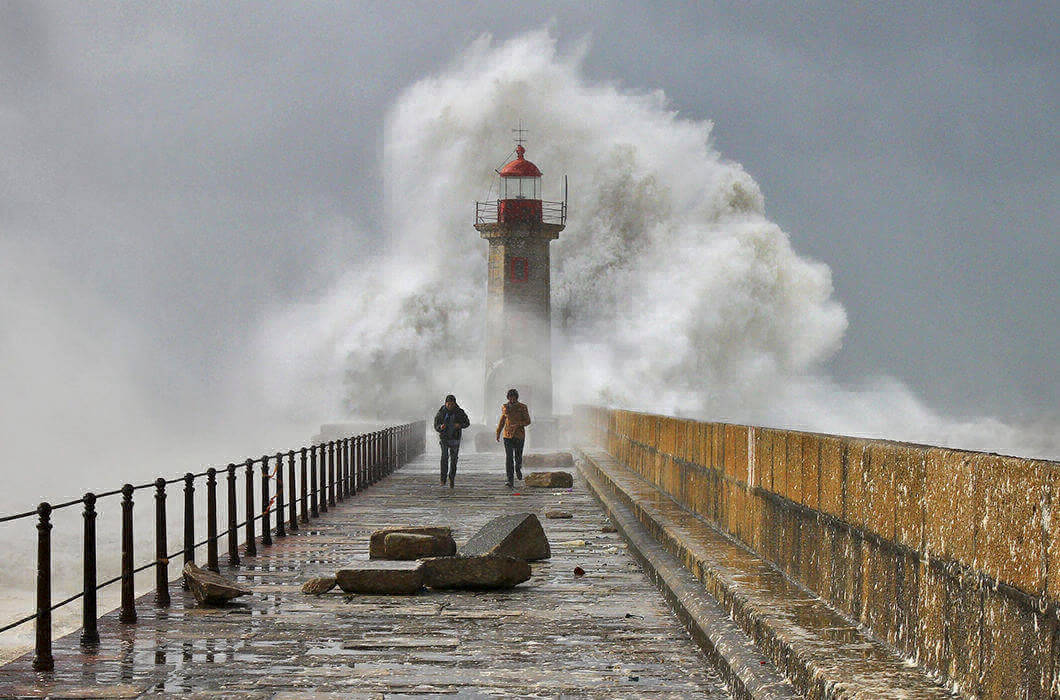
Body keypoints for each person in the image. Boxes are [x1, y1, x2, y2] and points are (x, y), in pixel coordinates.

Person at [495, 388, 531, 488]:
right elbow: (502, 420)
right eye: (510, 398)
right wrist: (498, 432)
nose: (512, 400)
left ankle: (518, 468)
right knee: (509, 457)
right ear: (508, 398)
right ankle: (510, 479)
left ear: (516, 398)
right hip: (507, 436)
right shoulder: (505, 407)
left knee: (518, 457)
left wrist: (518, 424)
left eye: (513, 398)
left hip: (519, 435)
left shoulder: (522, 407)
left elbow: (528, 421)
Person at [434, 394, 470, 489]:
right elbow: (436, 425)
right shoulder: (441, 412)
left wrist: (460, 425)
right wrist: (440, 427)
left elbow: (467, 423)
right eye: (448, 404)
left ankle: (452, 478)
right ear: (445, 403)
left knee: (454, 459)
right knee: (444, 458)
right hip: (444, 438)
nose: (450, 406)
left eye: (451, 404)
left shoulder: (459, 412)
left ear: (454, 403)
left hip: (455, 438)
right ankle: (443, 479)